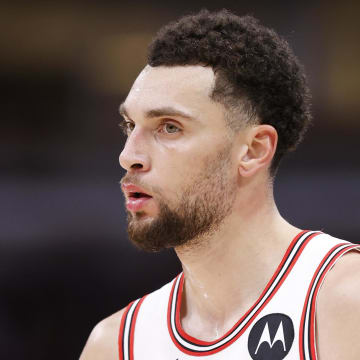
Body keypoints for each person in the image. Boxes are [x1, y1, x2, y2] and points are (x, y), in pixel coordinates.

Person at [80, 9, 360, 360]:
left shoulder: (345, 301)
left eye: (169, 127)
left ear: (253, 150)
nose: (128, 155)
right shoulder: (115, 344)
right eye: (129, 126)